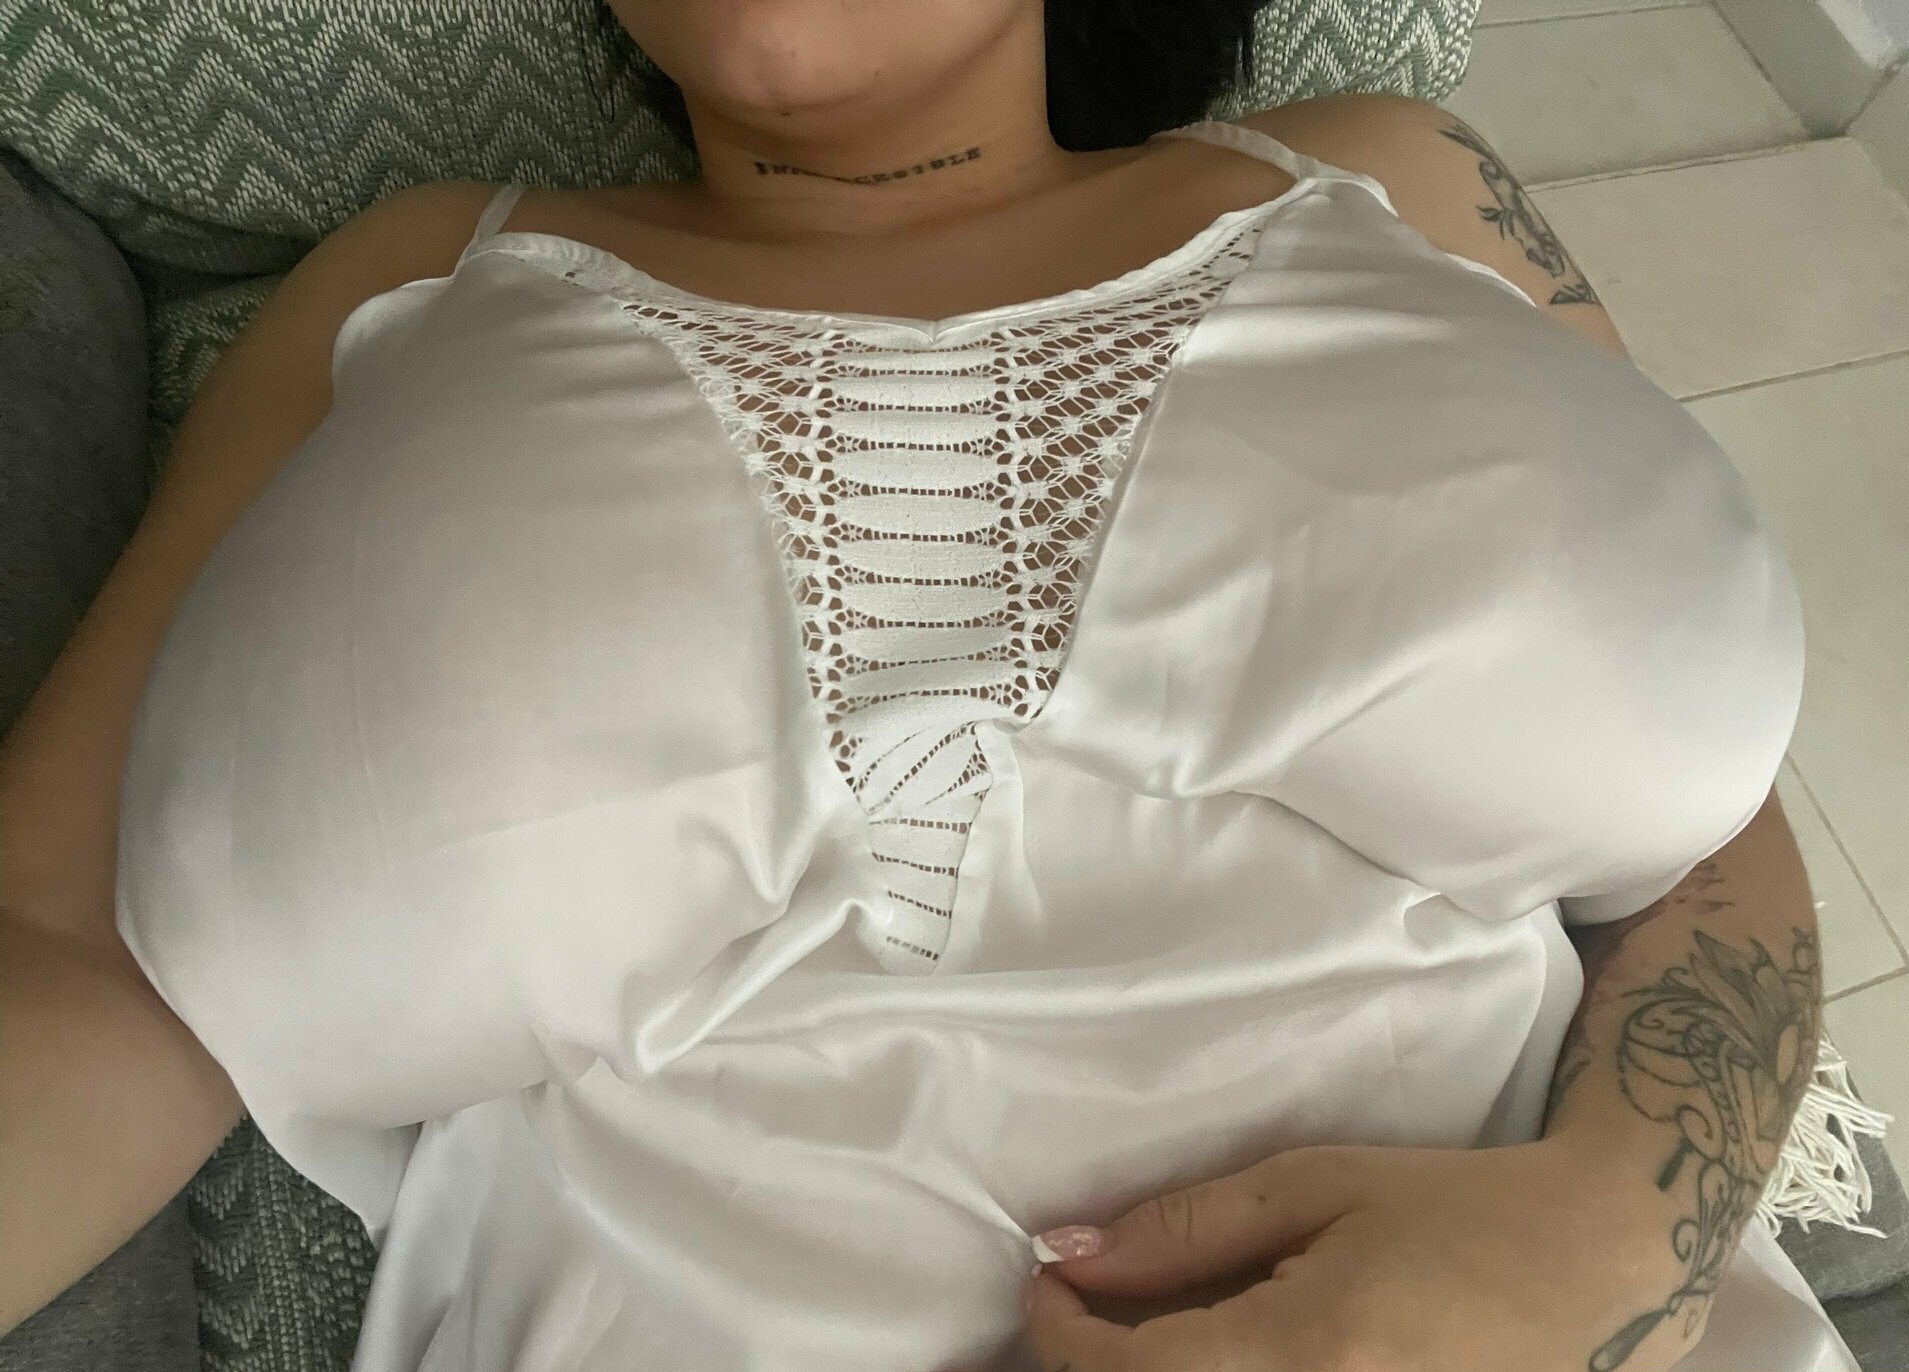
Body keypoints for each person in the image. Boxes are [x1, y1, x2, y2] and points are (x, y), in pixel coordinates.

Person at [0, 1, 1876, 1368]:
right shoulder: (408, 279)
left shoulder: (1396, 174)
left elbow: (1708, 827)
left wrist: (1614, 1244)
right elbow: (68, 954)